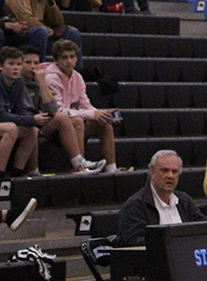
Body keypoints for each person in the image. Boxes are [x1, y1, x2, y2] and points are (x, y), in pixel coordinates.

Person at [20, 44, 104, 173]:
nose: (33, 66)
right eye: (28, 62)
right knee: (66, 119)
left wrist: (42, 83)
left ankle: (109, 168)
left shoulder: (39, 81)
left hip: (40, 122)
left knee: (102, 122)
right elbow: (56, 111)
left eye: (36, 62)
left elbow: (51, 109)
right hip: (27, 123)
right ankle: (78, 165)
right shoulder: (17, 83)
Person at [43, 39, 121, 172]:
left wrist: (102, 113)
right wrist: (91, 114)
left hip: (72, 122)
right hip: (50, 124)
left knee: (104, 123)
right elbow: (58, 111)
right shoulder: (51, 78)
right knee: (77, 121)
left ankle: (112, 169)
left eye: (72, 57)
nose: (69, 61)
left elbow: (86, 104)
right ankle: (80, 168)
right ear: (56, 60)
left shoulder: (77, 77)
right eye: (64, 57)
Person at [116, 150, 206, 246]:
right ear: (152, 173)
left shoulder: (184, 201)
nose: (170, 176)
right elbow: (134, 242)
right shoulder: (135, 205)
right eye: (164, 170)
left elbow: (203, 229)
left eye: (174, 171)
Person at [3, 0, 83, 67]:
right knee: (41, 32)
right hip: (18, 34)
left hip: (41, 32)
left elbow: (58, 21)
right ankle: (39, 72)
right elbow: (26, 20)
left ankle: (75, 76)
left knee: (73, 33)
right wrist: (51, 30)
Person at [0, 46, 41, 179]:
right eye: (11, 64)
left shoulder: (18, 82)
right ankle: (1, 174)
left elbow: (20, 110)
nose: (16, 68)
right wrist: (33, 119)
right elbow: (2, 116)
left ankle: (17, 171)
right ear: (1, 66)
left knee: (32, 130)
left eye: (18, 64)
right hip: (2, 122)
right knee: (11, 128)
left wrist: (35, 121)